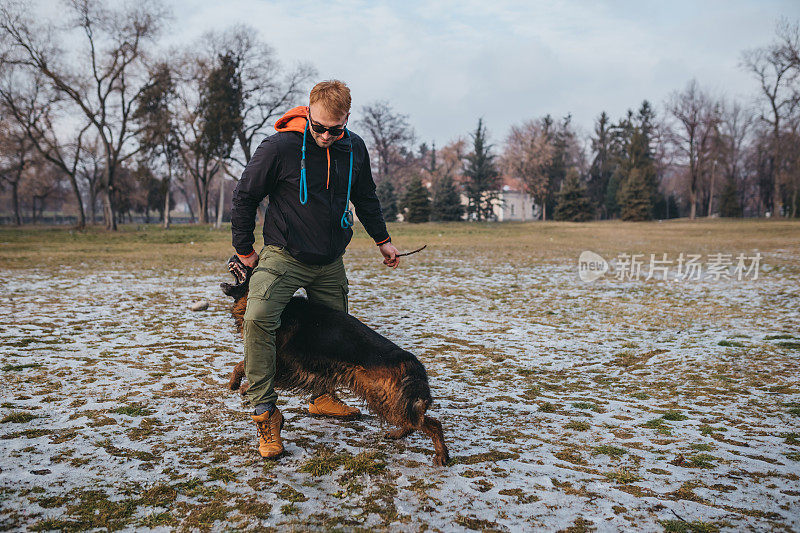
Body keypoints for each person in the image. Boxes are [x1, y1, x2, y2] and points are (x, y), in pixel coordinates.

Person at [230, 80, 400, 458]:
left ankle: (323, 396)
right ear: (308, 113)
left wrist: (382, 239)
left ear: (347, 120)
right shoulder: (280, 146)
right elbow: (245, 195)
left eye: (334, 129)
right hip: (283, 254)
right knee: (258, 319)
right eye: (318, 127)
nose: (325, 136)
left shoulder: (354, 147)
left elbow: (365, 196)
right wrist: (244, 249)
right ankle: (265, 414)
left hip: (329, 261)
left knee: (335, 334)